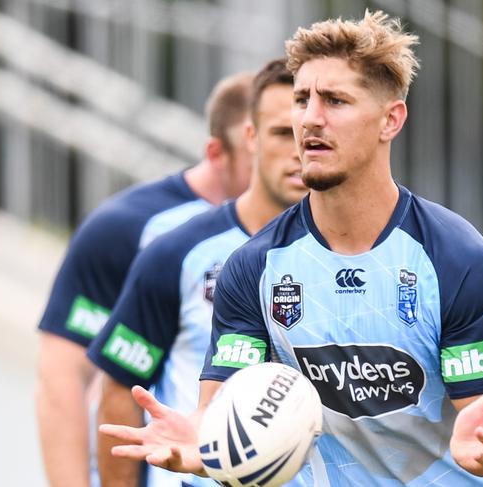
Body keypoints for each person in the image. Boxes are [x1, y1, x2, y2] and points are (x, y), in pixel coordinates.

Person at [100, 10, 483, 486]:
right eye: (301, 99)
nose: (311, 119)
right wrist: (208, 444)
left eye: (334, 100)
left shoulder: (455, 260)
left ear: (390, 120)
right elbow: (221, 409)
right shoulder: (254, 267)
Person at [87, 58, 307, 487]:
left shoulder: (353, 257)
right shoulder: (178, 251)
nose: (300, 150)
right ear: (251, 137)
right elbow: (119, 391)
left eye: (311, 134)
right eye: (283, 133)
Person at [36, 72, 254, 487]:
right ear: (216, 152)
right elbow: (61, 379)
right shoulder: (128, 228)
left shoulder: (308, 234)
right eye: (260, 146)